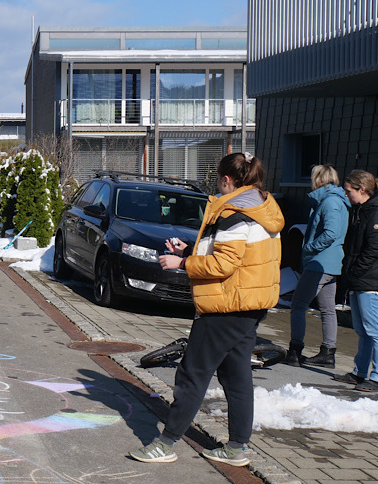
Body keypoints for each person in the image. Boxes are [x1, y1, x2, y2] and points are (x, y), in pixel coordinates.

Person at [130, 152, 283, 467]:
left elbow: (224, 264)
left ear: (227, 180)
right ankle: (236, 448)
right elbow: (241, 256)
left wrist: (183, 263)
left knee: (192, 374)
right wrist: (190, 250)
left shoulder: (234, 211)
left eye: (218, 180)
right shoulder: (261, 206)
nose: (217, 186)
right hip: (249, 304)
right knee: (235, 376)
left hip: (225, 307)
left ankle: (165, 444)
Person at [284, 165, 349, 367]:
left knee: (298, 304)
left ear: (318, 179)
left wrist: (310, 247)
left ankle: (295, 350)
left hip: (319, 263)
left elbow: (331, 232)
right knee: (328, 309)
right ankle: (328, 352)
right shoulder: (334, 200)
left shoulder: (330, 201)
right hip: (330, 263)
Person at [332, 170, 378, 392]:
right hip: (358, 280)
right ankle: (360, 372)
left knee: (374, 330)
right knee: (362, 330)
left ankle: (376, 377)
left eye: (349, 190)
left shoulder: (374, 212)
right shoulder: (359, 211)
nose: (346, 194)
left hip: (369, 282)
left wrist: (355, 272)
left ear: (362, 189)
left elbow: (373, 249)